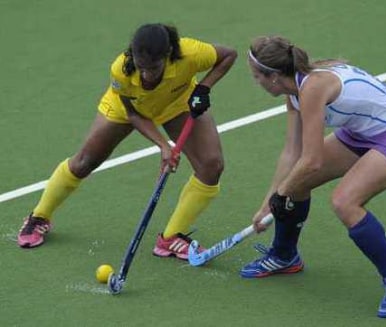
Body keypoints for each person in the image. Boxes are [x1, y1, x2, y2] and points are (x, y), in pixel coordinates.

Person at [17, 23, 237, 261]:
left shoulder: (190, 53)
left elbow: (228, 55)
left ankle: (170, 237)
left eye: (153, 68)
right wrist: (164, 146)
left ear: (168, 55)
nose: (146, 75)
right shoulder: (122, 69)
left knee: (211, 165)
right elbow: (134, 115)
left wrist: (204, 88)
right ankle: (38, 216)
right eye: (142, 68)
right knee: (84, 161)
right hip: (127, 109)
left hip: (177, 103)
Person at [241, 35, 386, 318]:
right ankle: (284, 255)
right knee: (296, 181)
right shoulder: (294, 91)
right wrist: (271, 199)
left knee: (344, 201)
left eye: (256, 77)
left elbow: (312, 160)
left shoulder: (312, 89)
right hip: (360, 133)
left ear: (275, 77)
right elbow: (294, 152)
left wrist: (283, 193)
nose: (256, 82)